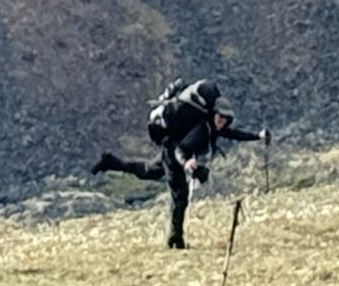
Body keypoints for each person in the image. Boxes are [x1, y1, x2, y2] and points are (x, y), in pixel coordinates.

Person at [92, 79, 266, 248]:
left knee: (149, 171)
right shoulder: (202, 130)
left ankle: (111, 162)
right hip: (174, 152)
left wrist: (257, 136)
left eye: (225, 120)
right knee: (180, 195)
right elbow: (180, 151)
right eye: (220, 118)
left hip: (171, 146)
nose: (222, 122)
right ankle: (175, 239)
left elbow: (233, 134)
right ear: (214, 114)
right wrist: (187, 163)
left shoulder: (210, 126)